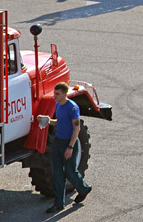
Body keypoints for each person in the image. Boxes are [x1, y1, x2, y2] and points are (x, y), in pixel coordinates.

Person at [46, 82, 92, 212]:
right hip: (58, 142)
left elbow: (76, 128)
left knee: (70, 171)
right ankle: (59, 203)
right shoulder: (58, 105)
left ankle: (84, 189)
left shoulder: (72, 108)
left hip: (69, 143)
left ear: (65, 94)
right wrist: (48, 120)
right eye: (54, 93)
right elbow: (59, 122)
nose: (54, 96)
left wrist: (70, 147)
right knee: (58, 173)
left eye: (57, 94)